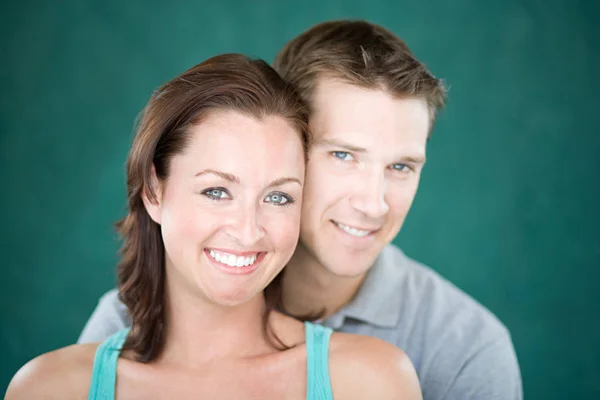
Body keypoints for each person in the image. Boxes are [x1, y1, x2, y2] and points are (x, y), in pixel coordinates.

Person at [79, 20, 522, 400]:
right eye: (343, 155)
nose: (373, 203)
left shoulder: (465, 347)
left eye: (401, 166)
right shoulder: (127, 324)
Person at [5, 53, 421, 399]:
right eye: (217, 191)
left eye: (278, 197)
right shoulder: (48, 389)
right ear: (154, 191)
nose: (247, 231)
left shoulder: (370, 381)